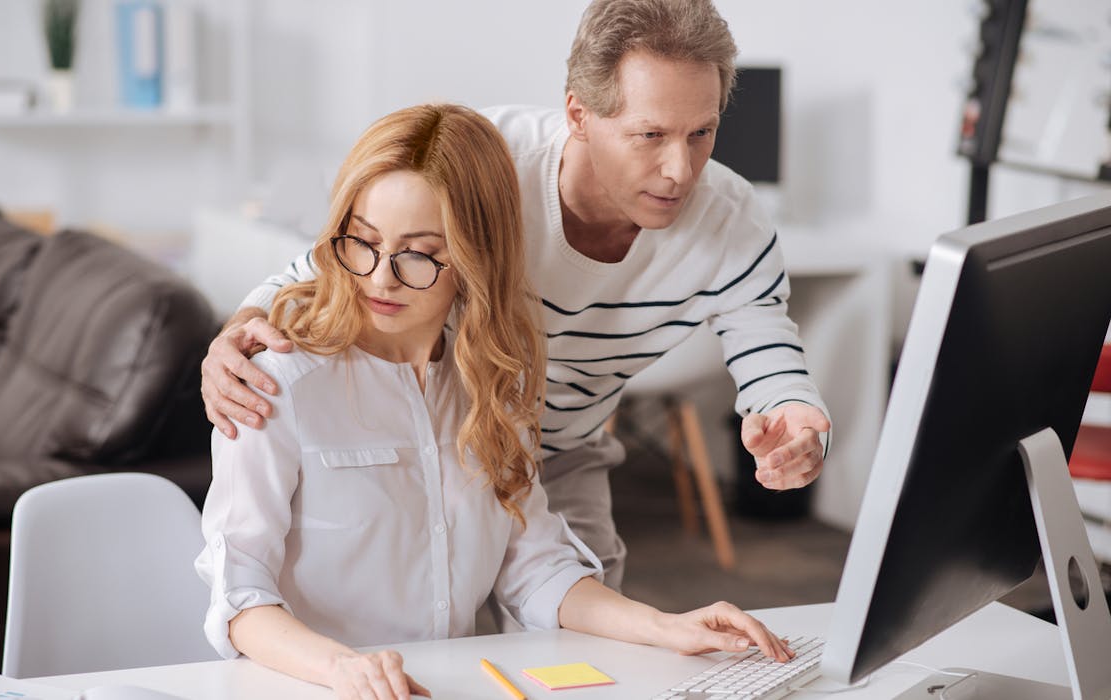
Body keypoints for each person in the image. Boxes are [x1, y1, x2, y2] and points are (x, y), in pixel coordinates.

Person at [200, 0, 831, 591]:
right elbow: (341, 259)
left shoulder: (732, 221)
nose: (680, 170)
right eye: (650, 135)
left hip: (563, 450)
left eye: (701, 133)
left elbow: (768, 347)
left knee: (587, 615)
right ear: (579, 114)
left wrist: (799, 421)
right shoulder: (486, 162)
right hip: (441, 435)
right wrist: (240, 329)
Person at [195, 103, 793, 700]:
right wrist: (344, 670)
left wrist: (666, 627)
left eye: (420, 253)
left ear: (475, 255)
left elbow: (534, 568)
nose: (380, 278)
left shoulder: (493, 384)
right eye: (364, 242)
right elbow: (239, 597)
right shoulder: (274, 385)